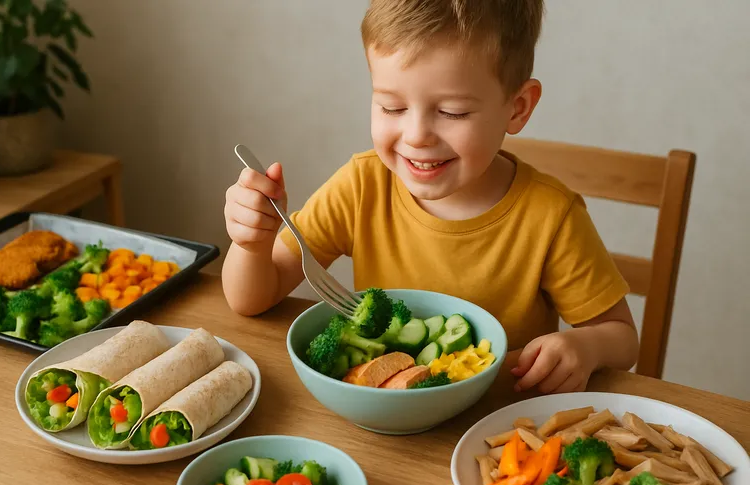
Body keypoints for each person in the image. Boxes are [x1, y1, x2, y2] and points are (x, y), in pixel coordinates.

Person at [222, 0, 639, 394]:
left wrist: (586, 347)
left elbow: (623, 339)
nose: (416, 135)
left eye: (453, 112)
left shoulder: (551, 217)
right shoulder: (362, 185)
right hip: (381, 422)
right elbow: (251, 298)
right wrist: (251, 245)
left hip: (496, 423)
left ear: (517, 108)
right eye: (391, 107)